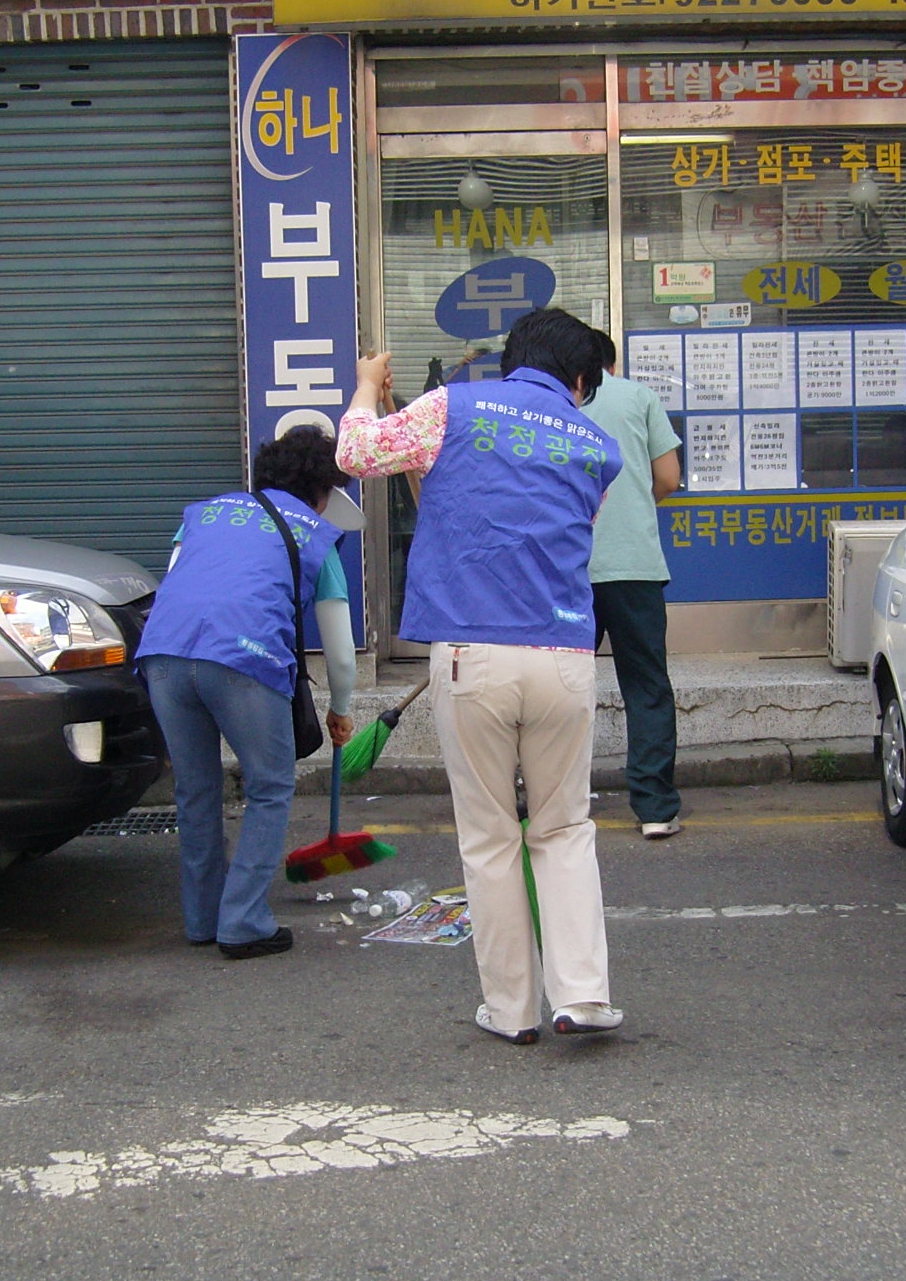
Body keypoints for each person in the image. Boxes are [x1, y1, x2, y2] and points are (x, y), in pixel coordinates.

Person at [338, 307, 627, 1046]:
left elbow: (358, 452)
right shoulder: (598, 446)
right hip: (563, 657)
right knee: (564, 828)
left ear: (512, 359)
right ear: (581, 378)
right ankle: (584, 998)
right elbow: (561, 533)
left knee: (492, 838)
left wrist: (369, 386)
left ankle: (512, 1011)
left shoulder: (452, 407)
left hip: (472, 658)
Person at [136, 427, 359, 960]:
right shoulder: (313, 530)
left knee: (195, 791)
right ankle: (243, 923)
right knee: (269, 786)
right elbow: (344, 654)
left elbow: (177, 584)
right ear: (322, 492)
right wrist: (341, 708)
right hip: (242, 660)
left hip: (163, 655)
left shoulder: (205, 515)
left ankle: (203, 919)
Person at [585, 329, 685, 839]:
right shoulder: (639, 397)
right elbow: (667, 478)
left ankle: (557, 798)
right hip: (635, 567)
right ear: (612, 362)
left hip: (567, 570)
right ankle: (654, 807)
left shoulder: (553, 404)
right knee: (646, 686)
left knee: (562, 688)